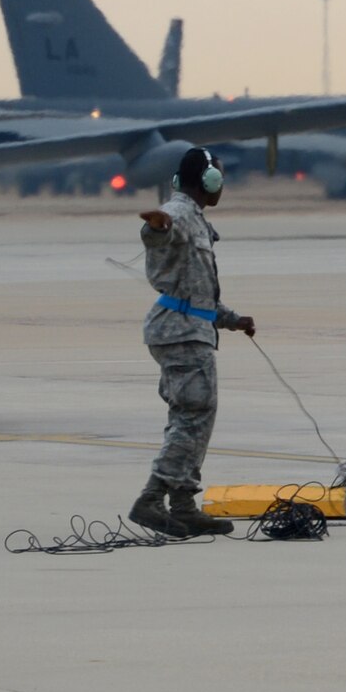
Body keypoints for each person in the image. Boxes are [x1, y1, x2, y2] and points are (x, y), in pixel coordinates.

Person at [128, 146, 256, 538]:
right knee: (194, 415)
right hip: (181, 333)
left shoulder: (193, 216)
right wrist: (157, 227)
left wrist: (231, 320)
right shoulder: (181, 213)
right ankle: (152, 497)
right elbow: (159, 232)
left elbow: (197, 291)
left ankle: (183, 504)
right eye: (219, 178)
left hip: (188, 326)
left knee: (192, 416)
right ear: (209, 181)